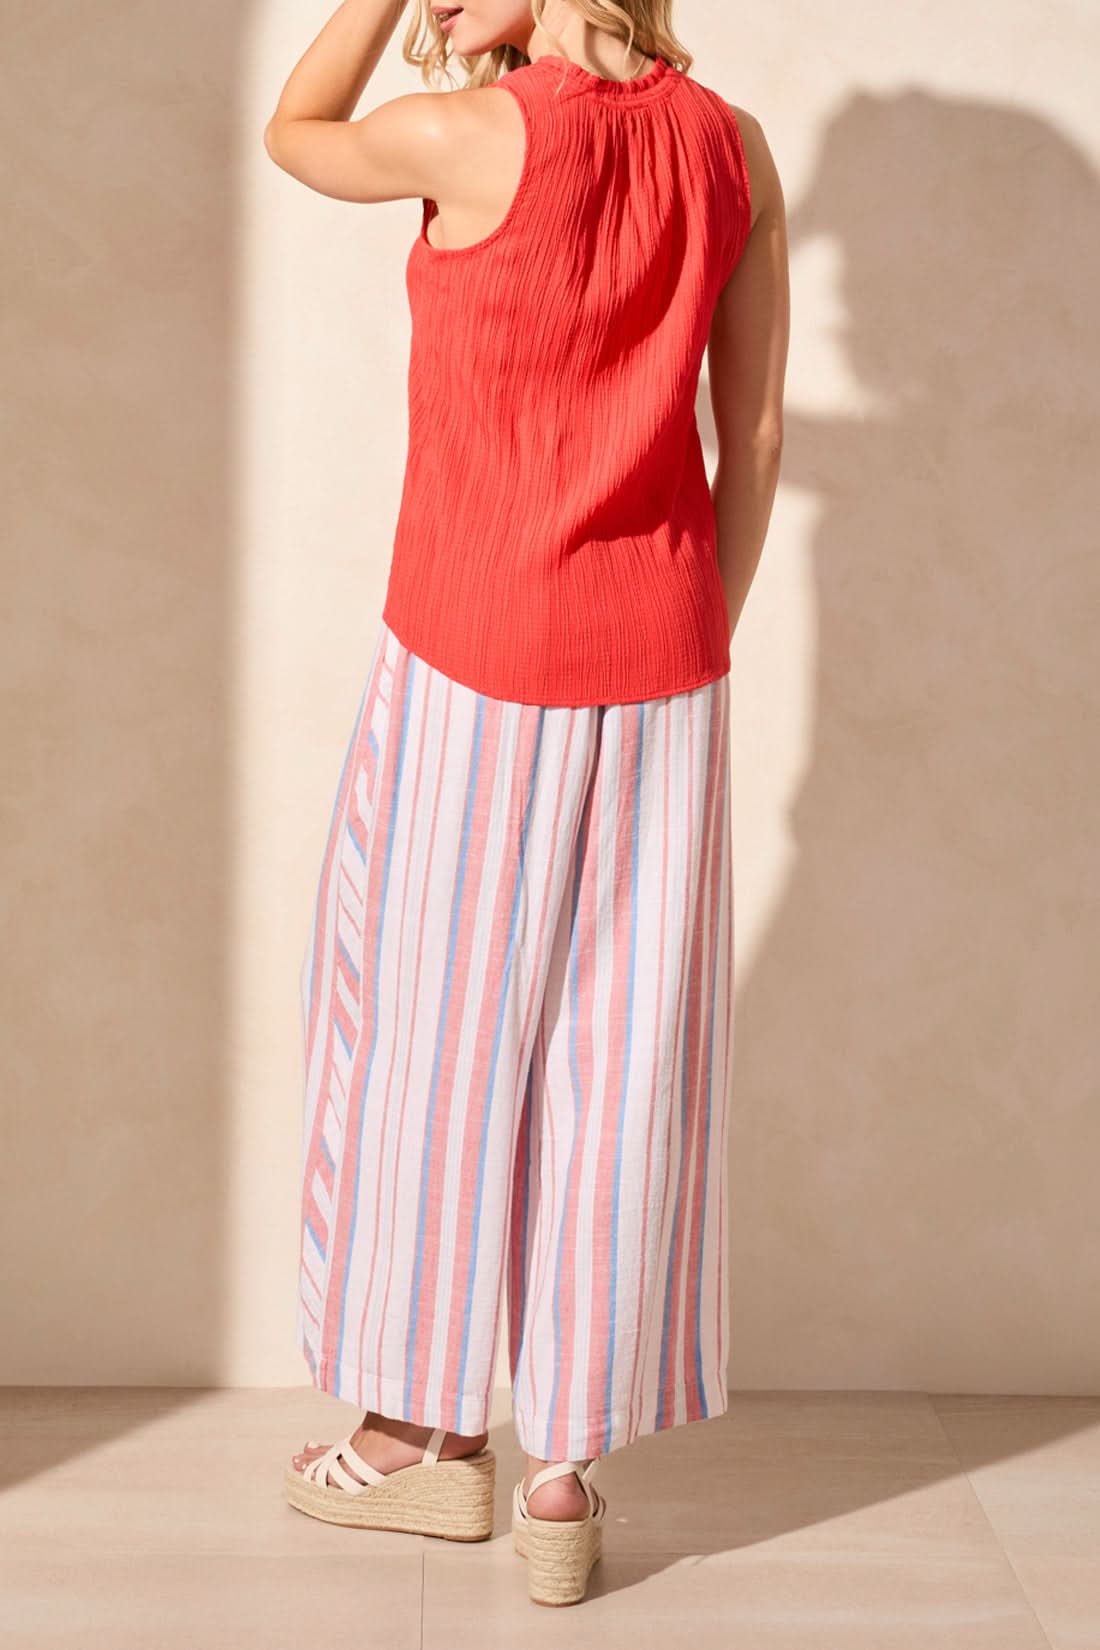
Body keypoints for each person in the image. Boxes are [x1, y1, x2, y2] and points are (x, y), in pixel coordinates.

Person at [265, 0, 789, 1606]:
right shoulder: (734, 147)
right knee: (618, 1062)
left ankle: (427, 1442)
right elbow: (749, 431)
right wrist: (693, 626)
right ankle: (564, 1464)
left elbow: (293, 130)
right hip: (667, 671)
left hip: (475, 661)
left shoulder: (463, 136)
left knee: (428, 1033)